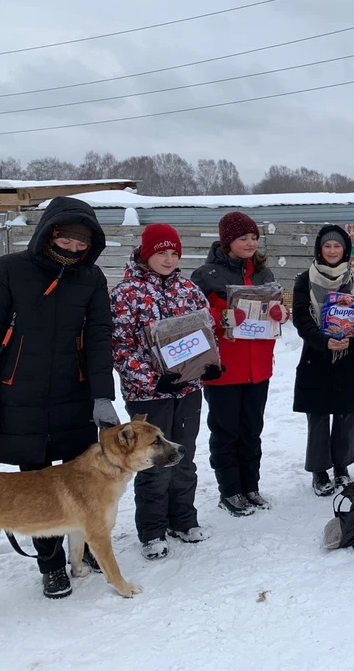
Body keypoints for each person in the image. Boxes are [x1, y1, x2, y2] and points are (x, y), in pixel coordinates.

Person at [0, 196, 119, 599]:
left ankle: (83, 550)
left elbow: (100, 337)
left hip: (75, 394)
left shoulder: (92, 279)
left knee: (82, 480)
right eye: (66, 238)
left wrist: (103, 395)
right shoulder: (9, 271)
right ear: (49, 231)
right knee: (35, 486)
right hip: (19, 395)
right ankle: (51, 564)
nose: (73, 247)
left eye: (81, 242)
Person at [110, 224, 222, 560]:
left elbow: (206, 332)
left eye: (174, 253)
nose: (169, 259)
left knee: (183, 457)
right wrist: (149, 379)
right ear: (147, 254)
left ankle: (183, 519)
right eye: (162, 252)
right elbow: (119, 346)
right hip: (149, 395)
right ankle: (152, 530)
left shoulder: (188, 289)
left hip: (187, 390)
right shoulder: (125, 294)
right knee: (153, 463)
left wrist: (210, 364)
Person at [191, 212, 289, 517]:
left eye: (253, 238)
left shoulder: (264, 274)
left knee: (252, 429)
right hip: (224, 369)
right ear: (227, 241)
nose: (250, 243)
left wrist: (280, 316)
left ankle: (251, 486)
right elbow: (194, 322)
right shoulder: (206, 276)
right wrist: (220, 320)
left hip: (258, 368)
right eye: (243, 238)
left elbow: (275, 312)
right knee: (226, 431)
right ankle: (230, 490)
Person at [292, 225, 354, 496]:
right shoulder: (305, 279)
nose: (331, 250)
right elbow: (301, 318)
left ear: (344, 249)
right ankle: (319, 471)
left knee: (344, 414)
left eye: (336, 246)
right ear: (319, 248)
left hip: (349, 358)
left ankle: (341, 467)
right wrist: (323, 340)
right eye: (327, 246)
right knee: (317, 416)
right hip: (316, 359)